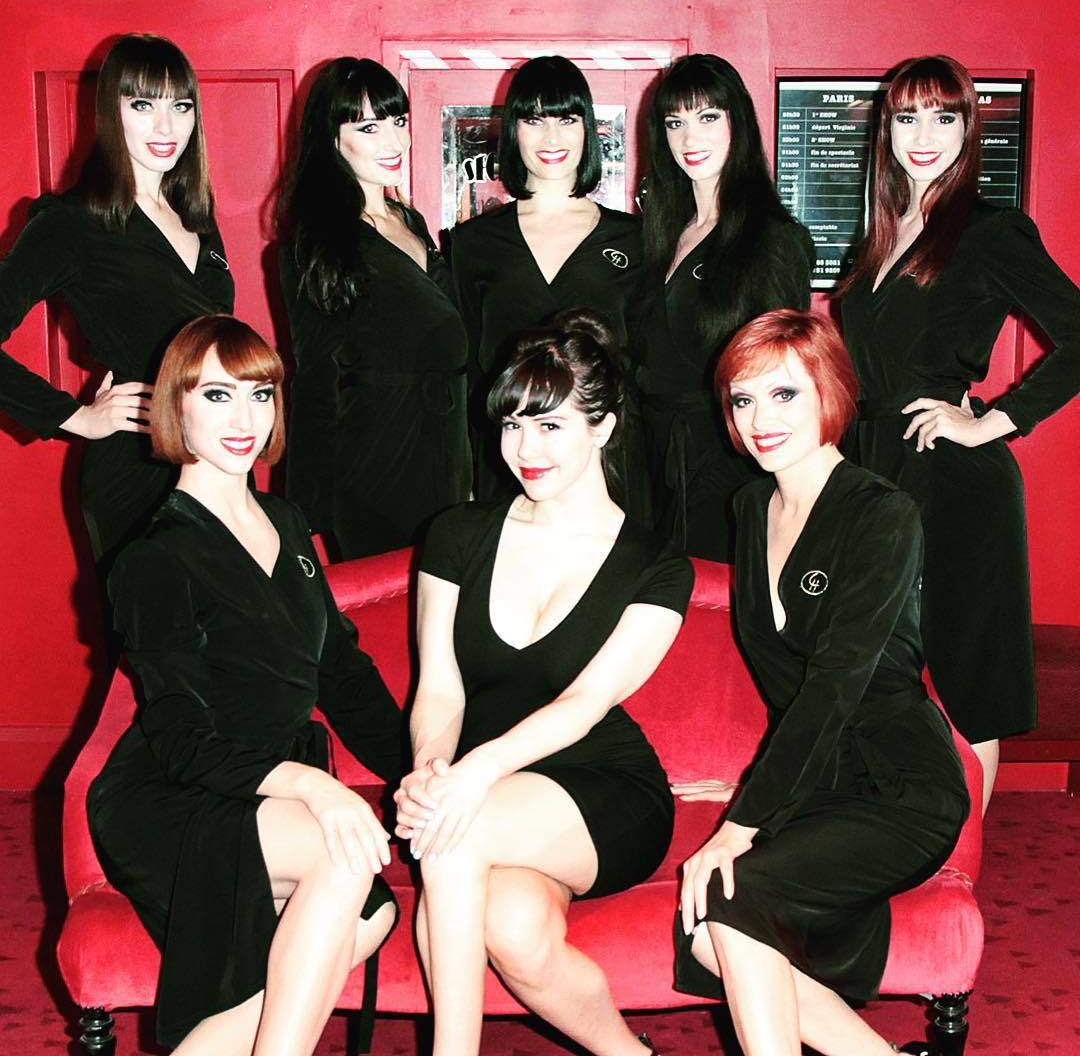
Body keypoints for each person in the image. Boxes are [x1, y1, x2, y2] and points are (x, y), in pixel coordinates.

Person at [87, 315, 404, 1054]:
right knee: (341, 857)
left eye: (260, 395)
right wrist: (314, 787)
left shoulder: (286, 522)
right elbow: (179, 740)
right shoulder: (154, 558)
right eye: (217, 395)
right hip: (175, 793)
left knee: (373, 915)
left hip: (262, 788)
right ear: (176, 406)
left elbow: (343, 675)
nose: (244, 420)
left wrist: (424, 767)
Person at [671, 309, 969, 1056]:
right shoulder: (751, 506)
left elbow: (834, 686)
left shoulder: (881, 512)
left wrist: (741, 821)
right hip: (818, 785)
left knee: (733, 903)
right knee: (707, 930)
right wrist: (753, 790)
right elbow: (786, 689)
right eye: (743, 399)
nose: (760, 420)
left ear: (830, 391)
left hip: (900, 784)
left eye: (784, 394)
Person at [395, 308, 692, 1056]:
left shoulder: (656, 565)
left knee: (452, 835)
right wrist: (431, 770)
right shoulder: (457, 535)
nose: (525, 449)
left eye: (551, 425)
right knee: (514, 929)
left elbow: (584, 704)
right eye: (512, 424)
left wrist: (469, 779)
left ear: (604, 427)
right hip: (484, 782)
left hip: (602, 790)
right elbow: (440, 687)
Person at [837, 54, 1080, 811]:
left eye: (944, 117)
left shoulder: (990, 231)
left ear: (968, 129)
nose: (924, 135)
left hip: (952, 479)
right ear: (886, 129)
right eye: (907, 117)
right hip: (874, 471)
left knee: (968, 679)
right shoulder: (880, 236)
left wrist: (991, 423)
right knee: (878, 670)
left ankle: (961, 862)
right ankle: (895, 836)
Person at [0, 33, 233, 569]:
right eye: (143, 105)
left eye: (180, 106)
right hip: (137, 468)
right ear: (111, 111)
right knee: (157, 620)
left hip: (214, 456)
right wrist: (75, 418)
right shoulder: (72, 221)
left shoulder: (196, 216)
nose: (166, 127)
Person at [277, 57, 470, 560]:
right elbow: (314, 376)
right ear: (331, 139)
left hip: (446, 451)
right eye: (368, 127)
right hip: (377, 459)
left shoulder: (411, 221)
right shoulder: (315, 243)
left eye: (398, 121)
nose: (394, 141)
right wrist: (305, 510)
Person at [449, 55, 648, 514]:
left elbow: (644, 370)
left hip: (609, 466)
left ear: (587, 129)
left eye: (567, 119)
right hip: (511, 464)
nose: (551, 137)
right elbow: (468, 376)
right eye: (534, 120)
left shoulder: (636, 240)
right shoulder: (473, 242)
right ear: (513, 131)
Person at [636, 54, 815, 561]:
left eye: (708, 117)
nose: (690, 137)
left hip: (731, 469)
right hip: (652, 465)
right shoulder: (662, 234)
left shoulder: (772, 239)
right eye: (675, 122)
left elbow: (789, 378)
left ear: (739, 123)